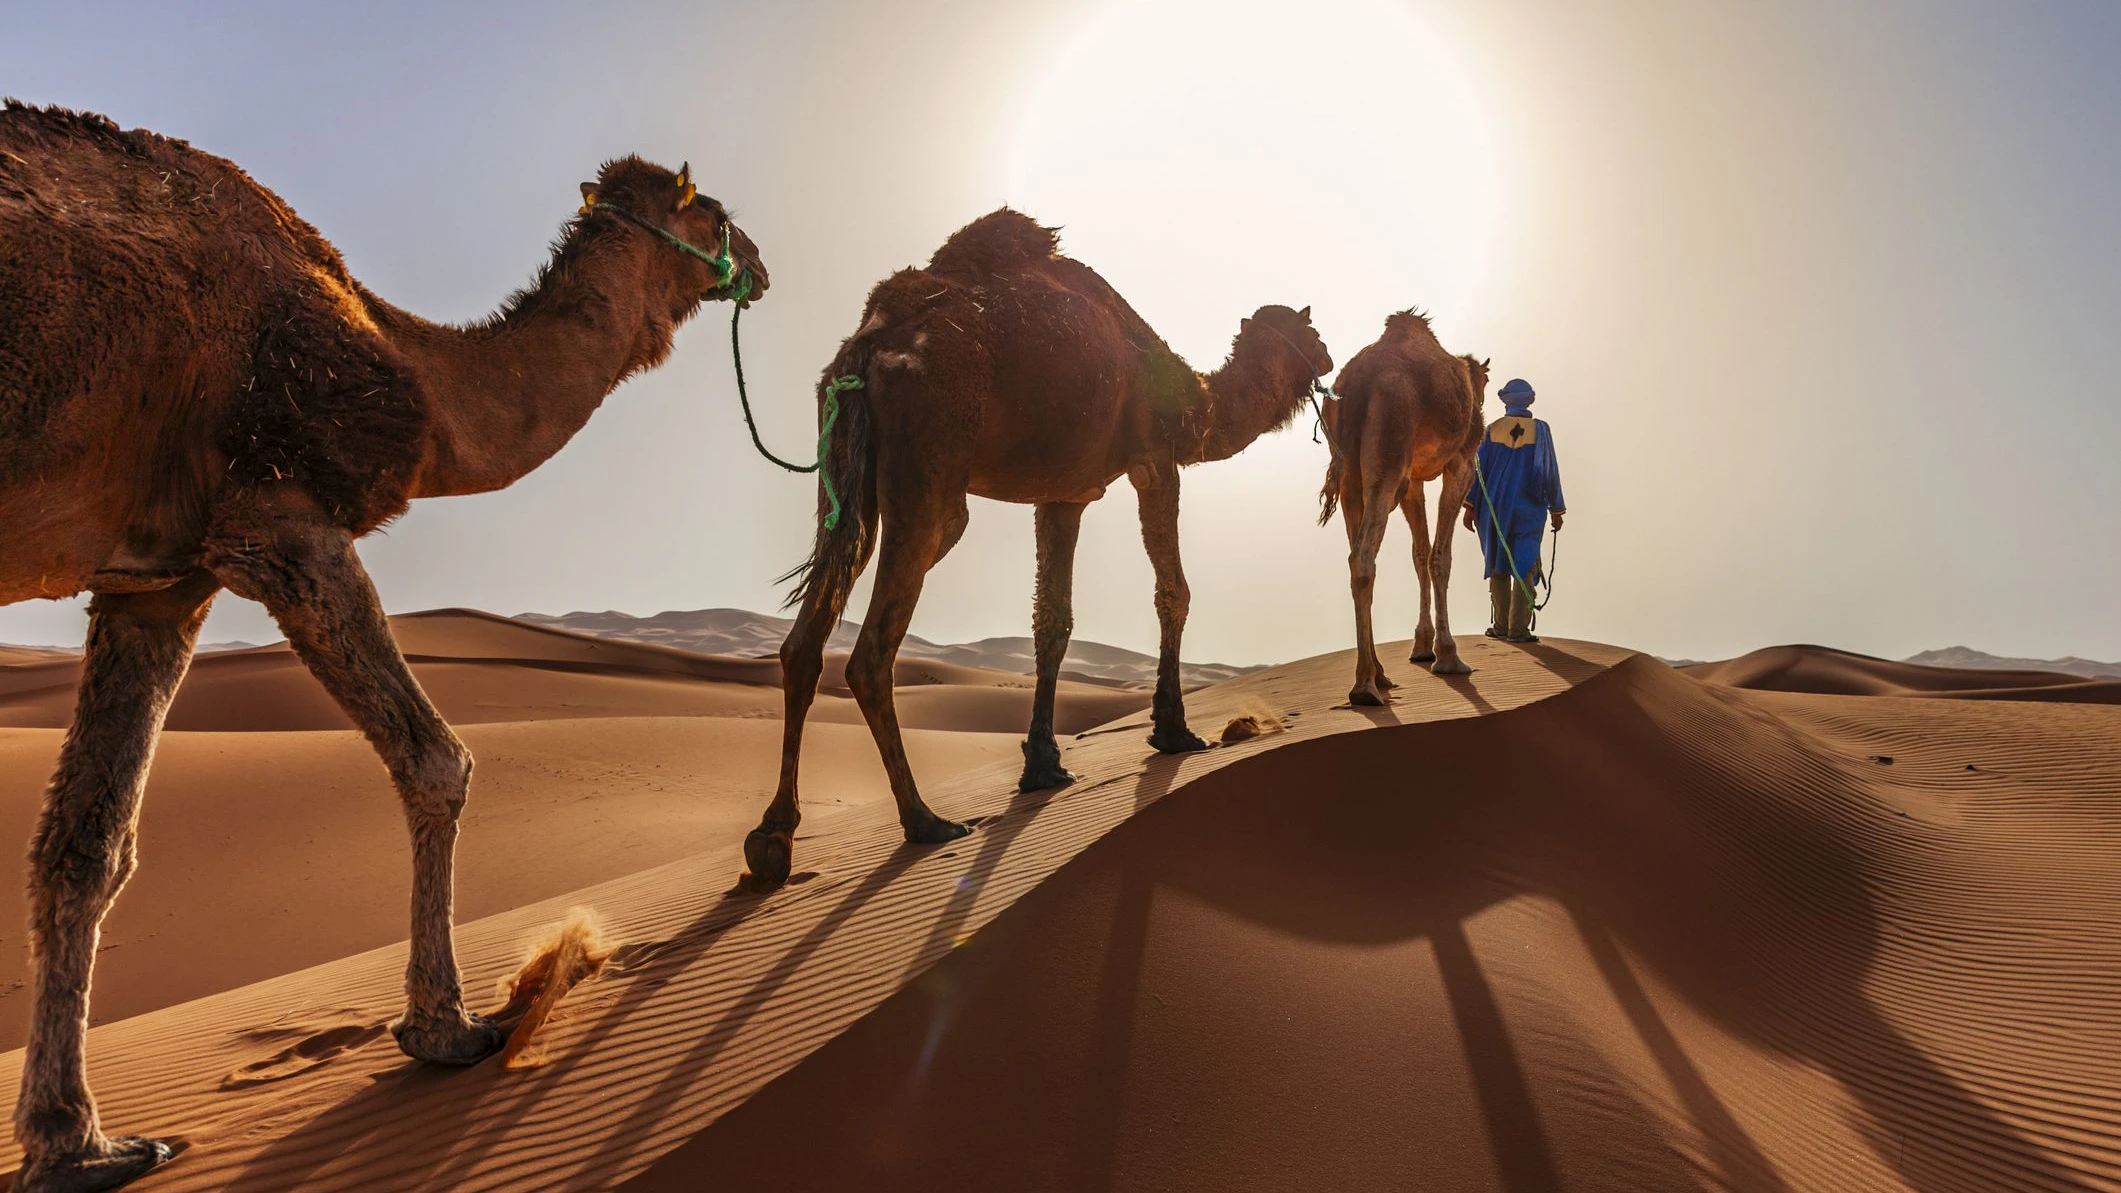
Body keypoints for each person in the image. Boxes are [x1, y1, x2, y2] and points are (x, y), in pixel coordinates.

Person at [1461, 377, 1565, 642]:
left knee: (1498, 563)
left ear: (1505, 400)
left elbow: (1476, 473)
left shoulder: (1491, 430)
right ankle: (1518, 630)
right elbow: (1550, 471)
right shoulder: (1540, 431)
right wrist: (1556, 509)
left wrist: (1470, 508)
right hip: (1530, 507)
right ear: (1529, 400)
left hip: (1493, 508)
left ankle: (1501, 626)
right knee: (1525, 564)